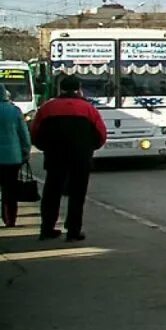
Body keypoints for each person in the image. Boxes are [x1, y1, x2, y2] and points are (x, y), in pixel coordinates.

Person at [30, 74, 107, 241]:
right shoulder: (88, 109)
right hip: (81, 158)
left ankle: (47, 228)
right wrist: (89, 149)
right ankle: (73, 231)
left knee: (52, 192)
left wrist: (46, 148)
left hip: (55, 157)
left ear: (60, 88)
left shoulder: (47, 108)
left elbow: (35, 133)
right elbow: (101, 134)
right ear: (79, 89)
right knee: (77, 195)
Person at [0, 85, 31, 227]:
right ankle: (10, 219)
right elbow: (24, 135)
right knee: (10, 189)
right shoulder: (15, 111)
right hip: (12, 157)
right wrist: (25, 151)